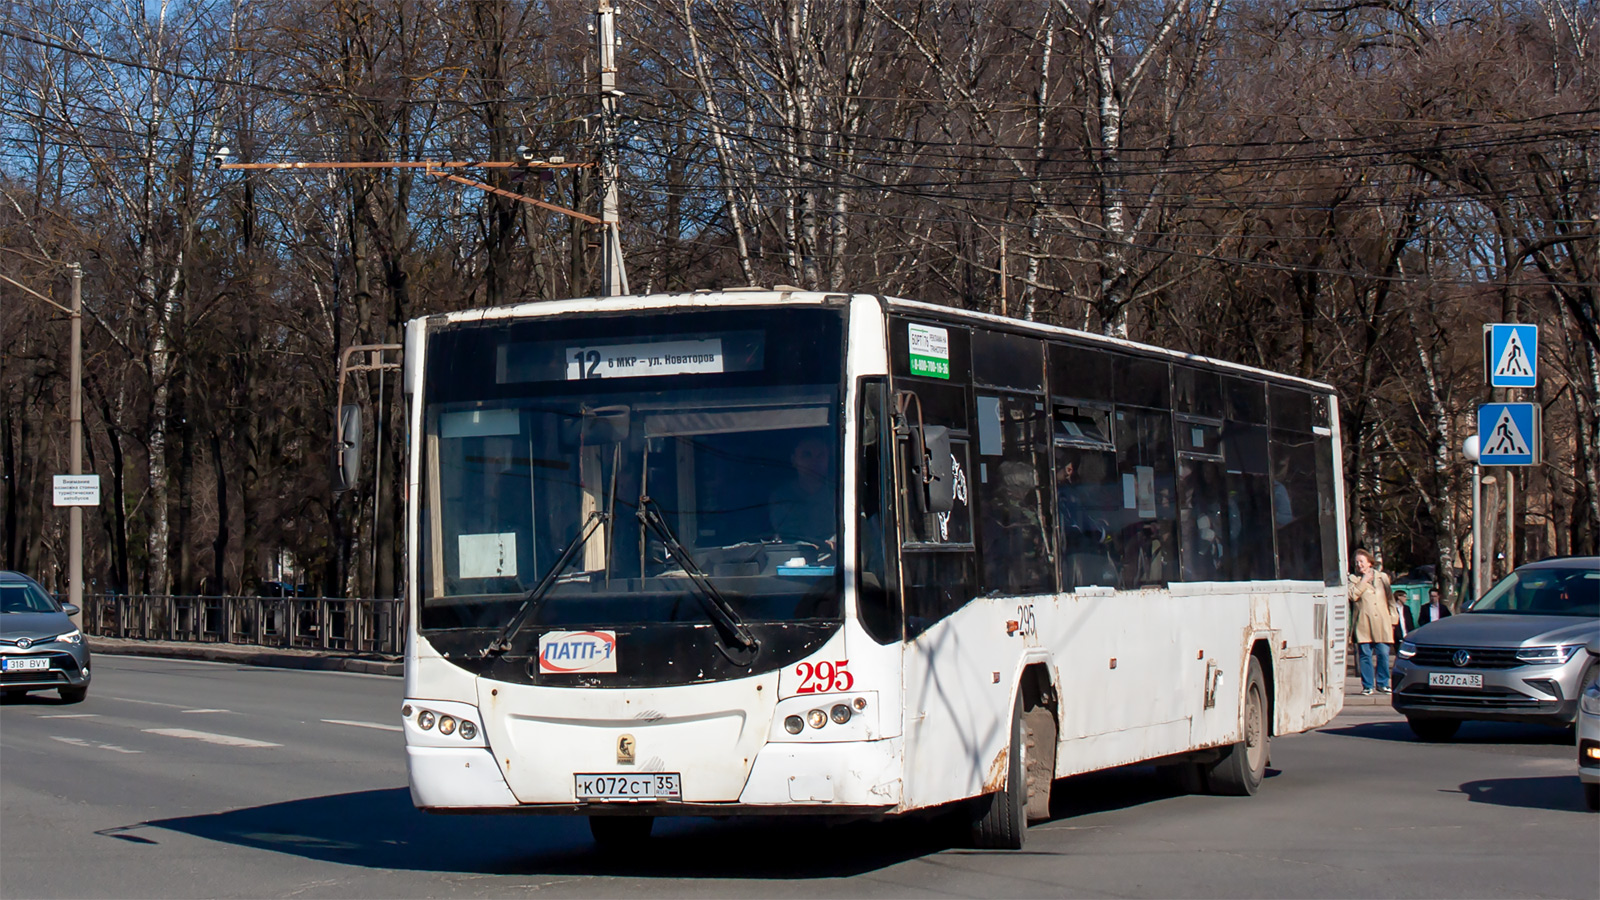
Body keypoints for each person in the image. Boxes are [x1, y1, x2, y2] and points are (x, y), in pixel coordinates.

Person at [769, 434, 836, 546]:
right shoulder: (781, 497)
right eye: (807, 455)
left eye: (820, 456)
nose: (814, 462)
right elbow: (787, 537)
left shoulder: (841, 495)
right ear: (794, 460)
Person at [1347, 548, 1396, 695]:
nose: (1359, 565)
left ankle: (1383, 683)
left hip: (1382, 622)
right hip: (1363, 623)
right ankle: (1368, 685)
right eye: (1356, 562)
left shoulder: (1383, 577)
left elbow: (1390, 599)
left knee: (1383, 653)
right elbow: (1352, 595)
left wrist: (1393, 619)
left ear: (1369, 562)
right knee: (1365, 655)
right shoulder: (1353, 579)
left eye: (1361, 561)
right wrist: (1363, 581)